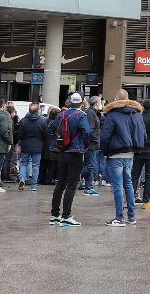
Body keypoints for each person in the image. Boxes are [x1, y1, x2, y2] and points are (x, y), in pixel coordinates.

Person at [100, 90, 145, 227]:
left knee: (118, 186)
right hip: (131, 152)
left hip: (116, 153)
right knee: (128, 184)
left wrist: (104, 151)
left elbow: (105, 136)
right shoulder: (137, 114)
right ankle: (132, 216)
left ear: (115, 99)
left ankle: (119, 217)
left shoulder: (112, 115)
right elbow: (143, 134)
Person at [49, 93, 93, 226]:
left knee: (60, 183)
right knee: (72, 184)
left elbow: (50, 129)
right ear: (81, 103)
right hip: (75, 152)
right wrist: (85, 145)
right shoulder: (81, 115)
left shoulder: (61, 114)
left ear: (70, 102)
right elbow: (87, 132)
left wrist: (59, 142)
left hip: (62, 152)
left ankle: (54, 215)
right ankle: (66, 216)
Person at [17, 102, 49, 191]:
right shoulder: (42, 121)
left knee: (23, 163)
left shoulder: (23, 121)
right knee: (36, 165)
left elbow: (20, 134)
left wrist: (20, 143)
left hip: (25, 145)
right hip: (37, 145)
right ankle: (34, 185)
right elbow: (45, 134)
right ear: (38, 110)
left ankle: (22, 179)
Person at [82, 96, 104, 195]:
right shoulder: (91, 113)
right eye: (100, 102)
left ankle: (87, 185)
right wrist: (94, 140)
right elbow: (90, 130)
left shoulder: (93, 112)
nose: (101, 104)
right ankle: (88, 187)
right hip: (91, 144)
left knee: (90, 165)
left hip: (92, 143)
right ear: (96, 103)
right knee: (89, 165)